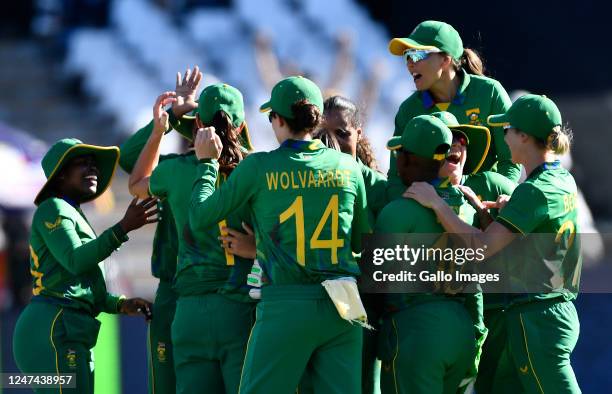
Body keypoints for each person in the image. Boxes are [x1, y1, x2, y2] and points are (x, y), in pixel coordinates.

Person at [189, 76, 371, 394]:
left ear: (278, 119)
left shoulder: (259, 166)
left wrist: (207, 164)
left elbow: (200, 216)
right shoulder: (348, 167)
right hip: (344, 304)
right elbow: (360, 242)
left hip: (287, 302)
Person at [406, 95, 581, 393]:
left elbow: (482, 248)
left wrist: (437, 205)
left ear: (524, 136)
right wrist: (508, 209)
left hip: (535, 318)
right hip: (537, 315)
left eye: (508, 130)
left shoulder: (534, 192)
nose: (504, 137)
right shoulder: (561, 178)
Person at [129, 83, 256, 394]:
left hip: (188, 310)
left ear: (197, 124)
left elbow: (135, 184)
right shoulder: (259, 167)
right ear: (240, 126)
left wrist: (161, 129)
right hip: (240, 307)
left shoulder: (175, 170)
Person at [12, 138, 157, 394]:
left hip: (67, 328)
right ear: (61, 174)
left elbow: (81, 285)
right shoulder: (52, 208)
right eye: (83, 163)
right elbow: (76, 260)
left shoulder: (71, 212)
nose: (93, 170)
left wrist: (120, 304)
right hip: (52, 327)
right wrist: (123, 227)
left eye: (94, 164)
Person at [374, 115, 481, 394]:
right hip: (461, 328)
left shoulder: (398, 212)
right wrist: (477, 336)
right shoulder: (466, 211)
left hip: (415, 330)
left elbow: (376, 285)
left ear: (408, 160)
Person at [118, 65, 203, 394]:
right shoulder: (172, 171)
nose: (197, 132)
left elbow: (130, 167)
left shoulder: (244, 171)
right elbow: (128, 159)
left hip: (216, 293)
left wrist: (168, 119)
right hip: (177, 291)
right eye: (192, 127)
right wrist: (170, 118)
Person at [386, 20, 520, 201]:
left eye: (417, 55)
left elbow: (510, 161)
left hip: (483, 205)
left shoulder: (490, 93)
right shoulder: (408, 110)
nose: (410, 63)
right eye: (407, 56)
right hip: (427, 210)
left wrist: (495, 204)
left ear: (445, 59)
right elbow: (397, 177)